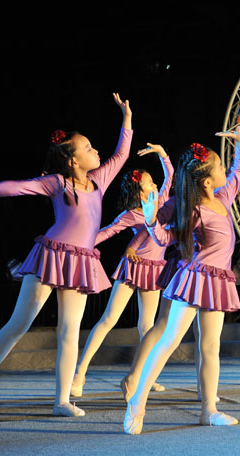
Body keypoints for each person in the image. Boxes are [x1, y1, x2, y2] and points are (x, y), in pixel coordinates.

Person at [0, 94, 132, 423]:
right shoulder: (57, 183)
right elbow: (11, 187)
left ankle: (62, 399)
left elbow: (121, 154)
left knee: (70, 330)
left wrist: (126, 118)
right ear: (73, 161)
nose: (95, 151)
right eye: (87, 148)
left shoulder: (99, 180)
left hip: (81, 261)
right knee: (20, 323)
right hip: (51, 256)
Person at [124, 128, 240, 434]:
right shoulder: (193, 210)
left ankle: (209, 410)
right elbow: (166, 238)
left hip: (218, 281)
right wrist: (151, 221)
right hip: (195, 278)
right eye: (219, 166)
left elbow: (238, 173)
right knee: (170, 339)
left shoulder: (223, 196)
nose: (224, 169)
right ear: (206, 181)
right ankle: (137, 402)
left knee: (210, 346)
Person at [71, 144, 173, 397]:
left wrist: (162, 154)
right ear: (140, 191)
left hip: (154, 270)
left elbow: (169, 176)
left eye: (153, 181)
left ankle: (143, 375)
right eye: (150, 182)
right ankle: (79, 373)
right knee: (109, 318)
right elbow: (107, 232)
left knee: (147, 326)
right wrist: (80, 242)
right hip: (133, 267)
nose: (155, 184)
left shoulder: (162, 203)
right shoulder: (130, 215)